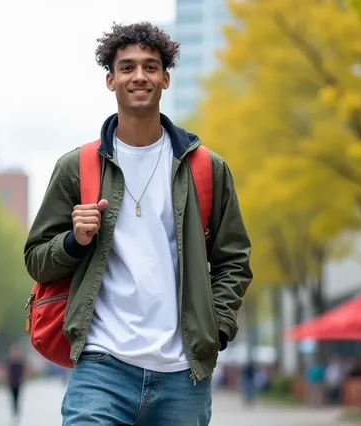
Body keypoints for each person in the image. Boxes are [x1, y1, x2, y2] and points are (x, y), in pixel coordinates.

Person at [24, 22, 252, 426]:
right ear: (110, 80)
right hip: (101, 367)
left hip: (184, 374)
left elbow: (233, 260)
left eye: (151, 66)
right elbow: (37, 261)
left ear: (165, 77)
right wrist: (74, 242)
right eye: (127, 67)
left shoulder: (206, 169)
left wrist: (214, 331)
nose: (139, 76)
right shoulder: (77, 167)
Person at [5, 345, 25, 418]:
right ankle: (14, 407)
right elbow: (7, 370)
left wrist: (23, 378)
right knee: (12, 395)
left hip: (18, 381)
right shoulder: (9, 360)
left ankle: (16, 408)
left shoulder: (20, 360)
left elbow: (23, 370)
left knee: (17, 395)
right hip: (11, 381)